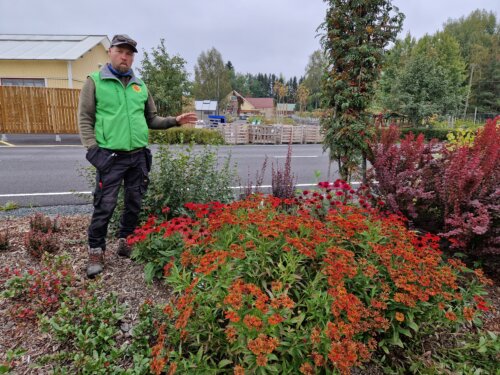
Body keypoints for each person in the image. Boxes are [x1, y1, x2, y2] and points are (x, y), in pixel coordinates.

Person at [78, 34, 197, 278]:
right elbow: (85, 118)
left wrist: (174, 120)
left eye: (129, 53)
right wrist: (92, 149)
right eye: (121, 51)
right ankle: (96, 251)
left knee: (134, 202)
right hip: (109, 157)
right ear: (110, 52)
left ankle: (126, 241)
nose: (125, 57)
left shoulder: (140, 86)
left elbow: (151, 119)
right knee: (104, 205)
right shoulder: (95, 82)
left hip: (137, 157)